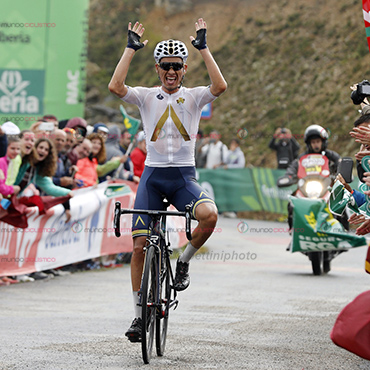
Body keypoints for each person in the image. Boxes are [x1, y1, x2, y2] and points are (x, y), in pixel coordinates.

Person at [108, 18, 227, 341]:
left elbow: (220, 87)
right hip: (152, 178)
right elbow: (116, 88)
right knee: (139, 246)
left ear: (184, 68)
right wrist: (130, 49)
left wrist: (203, 48)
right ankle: (137, 317)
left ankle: (184, 262)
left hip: (182, 179)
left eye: (177, 66)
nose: (171, 71)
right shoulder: (146, 96)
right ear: (157, 68)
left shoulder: (194, 96)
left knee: (210, 216)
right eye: (165, 66)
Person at [281, 125, 340, 230]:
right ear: (309, 144)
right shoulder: (302, 157)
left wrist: (340, 174)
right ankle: (293, 231)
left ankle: (343, 230)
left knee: (340, 203)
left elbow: (341, 164)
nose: (316, 144)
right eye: (313, 142)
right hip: (306, 187)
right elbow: (293, 167)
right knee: (292, 203)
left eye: (318, 141)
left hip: (326, 187)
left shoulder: (331, 156)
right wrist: (288, 176)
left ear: (323, 142)